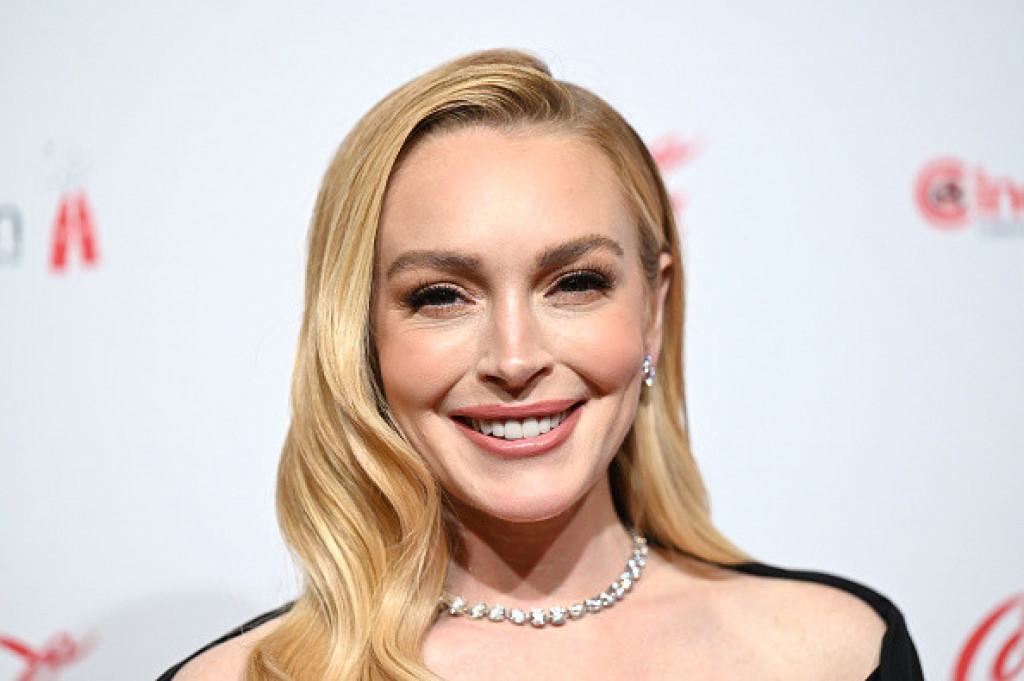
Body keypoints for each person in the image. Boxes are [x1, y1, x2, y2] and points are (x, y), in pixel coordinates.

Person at [159, 49, 923, 680]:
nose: (515, 358)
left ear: (652, 309)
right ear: (360, 336)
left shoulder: (840, 650)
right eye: (441, 295)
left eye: (576, 283)